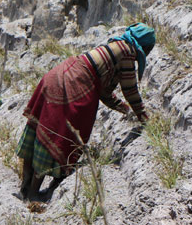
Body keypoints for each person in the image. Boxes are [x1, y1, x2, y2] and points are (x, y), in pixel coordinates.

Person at [17, 23, 155, 201]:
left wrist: (124, 108)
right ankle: (34, 193)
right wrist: (143, 116)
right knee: (59, 135)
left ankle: (25, 188)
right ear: (144, 47)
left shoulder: (114, 45)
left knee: (38, 128)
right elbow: (130, 90)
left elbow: (104, 93)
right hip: (75, 83)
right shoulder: (128, 52)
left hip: (58, 74)